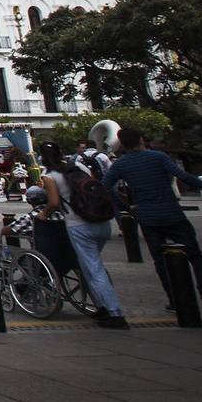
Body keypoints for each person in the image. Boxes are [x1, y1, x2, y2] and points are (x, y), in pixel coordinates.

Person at [102, 126, 202, 314]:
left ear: (121, 144)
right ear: (141, 140)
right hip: (172, 213)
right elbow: (182, 176)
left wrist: (125, 205)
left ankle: (174, 299)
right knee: (195, 255)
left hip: (148, 217)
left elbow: (105, 186)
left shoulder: (121, 164)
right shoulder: (158, 157)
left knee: (160, 260)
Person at [37, 140, 127, 328]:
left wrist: (43, 214)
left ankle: (114, 312)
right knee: (88, 267)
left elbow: (53, 203)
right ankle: (101, 306)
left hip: (79, 225)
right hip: (101, 221)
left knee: (94, 268)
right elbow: (96, 186)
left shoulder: (49, 175)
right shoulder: (79, 166)